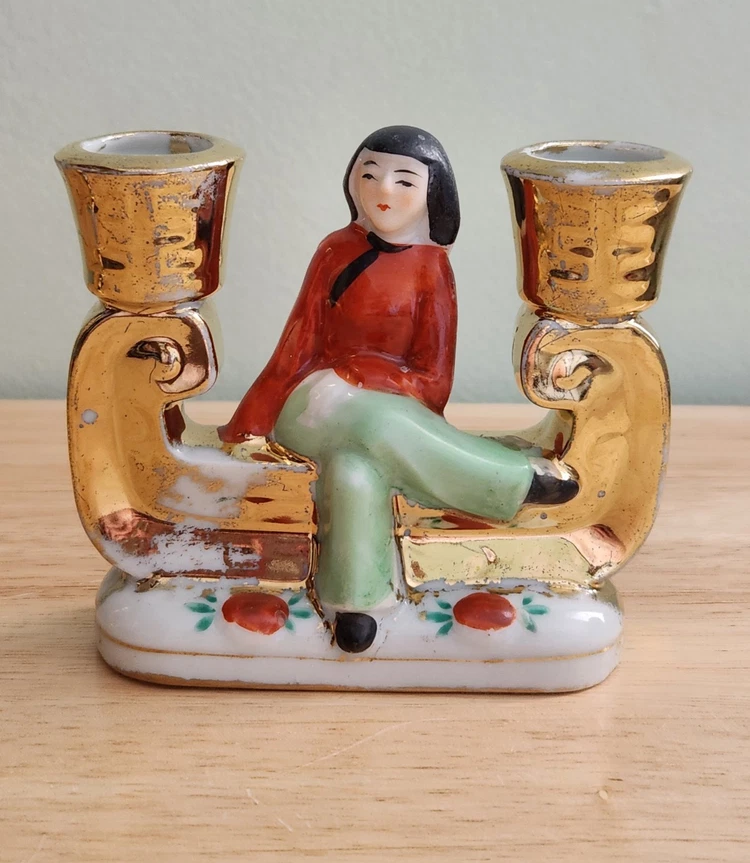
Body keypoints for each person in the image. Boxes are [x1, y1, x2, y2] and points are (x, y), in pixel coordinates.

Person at [219, 126, 577, 652]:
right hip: (310, 404)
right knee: (372, 426)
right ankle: (507, 480)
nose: (383, 190)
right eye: (370, 174)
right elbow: (297, 343)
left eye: (404, 180)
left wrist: (362, 376)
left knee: (356, 468)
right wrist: (248, 424)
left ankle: (356, 608)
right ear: (353, 182)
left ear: (433, 193)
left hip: (381, 417)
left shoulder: (433, 269)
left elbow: (433, 384)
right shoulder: (334, 250)